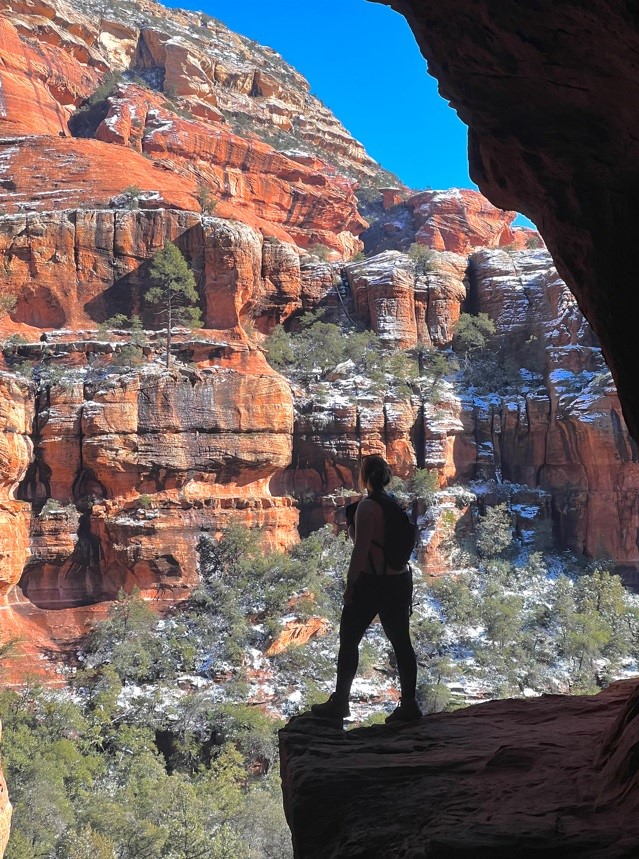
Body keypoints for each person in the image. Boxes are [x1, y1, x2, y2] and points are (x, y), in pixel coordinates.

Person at [311, 454, 421, 723]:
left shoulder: (366, 507)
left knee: (348, 640)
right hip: (399, 581)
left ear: (365, 477)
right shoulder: (392, 504)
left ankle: (340, 702)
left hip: (373, 582)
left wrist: (350, 586)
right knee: (401, 643)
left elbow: (360, 552)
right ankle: (409, 705)